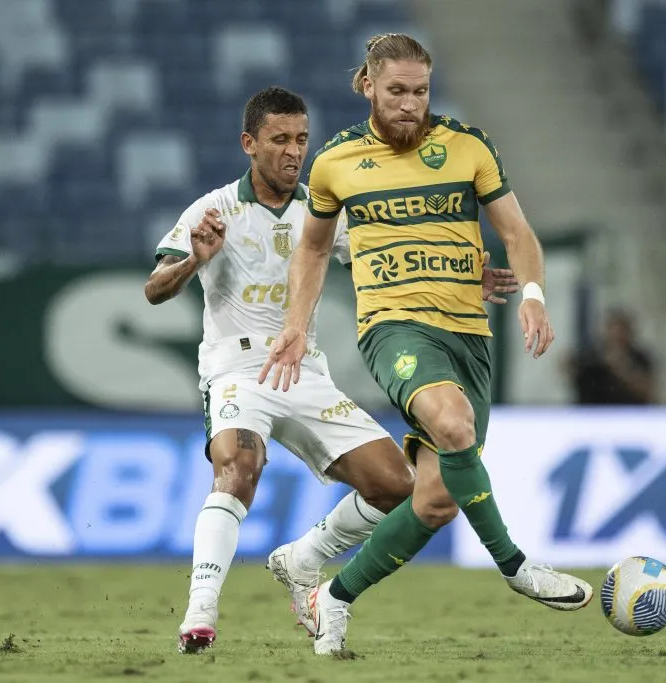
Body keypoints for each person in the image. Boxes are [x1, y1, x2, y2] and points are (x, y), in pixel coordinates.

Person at [144, 86, 519, 654]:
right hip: (238, 370)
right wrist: (196, 259)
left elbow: (391, 262)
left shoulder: (323, 211)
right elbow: (154, 290)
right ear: (249, 144)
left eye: (301, 139)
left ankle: (304, 559)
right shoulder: (214, 209)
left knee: (400, 487)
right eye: (279, 140)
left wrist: (467, 281)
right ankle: (200, 612)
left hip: (304, 371)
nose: (294, 151)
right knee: (238, 468)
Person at [259, 34, 593, 655]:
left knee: (436, 499)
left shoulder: (468, 146)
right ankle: (516, 566)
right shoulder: (334, 163)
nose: (410, 104)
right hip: (393, 328)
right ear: (368, 87)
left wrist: (534, 296)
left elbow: (517, 233)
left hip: (469, 334)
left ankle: (334, 596)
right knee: (452, 420)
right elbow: (310, 249)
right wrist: (297, 325)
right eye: (397, 92)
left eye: (420, 91)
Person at [569, 309, 657, 404]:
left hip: (629, 413)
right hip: (593, 413)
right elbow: (572, 373)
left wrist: (623, 369)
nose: (617, 335)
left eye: (621, 332)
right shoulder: (592, 355)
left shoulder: (639, 357)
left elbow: (648, 391)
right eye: (613, 331)